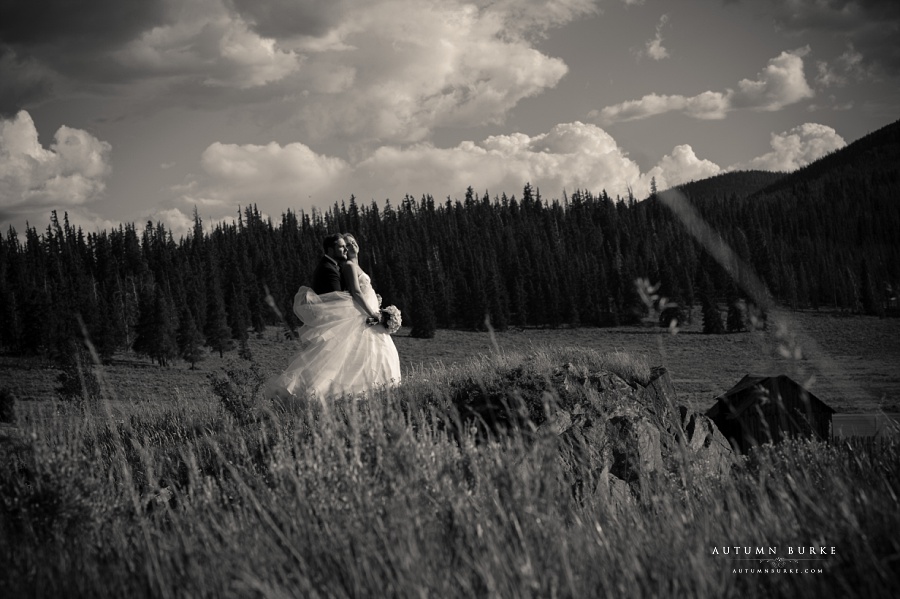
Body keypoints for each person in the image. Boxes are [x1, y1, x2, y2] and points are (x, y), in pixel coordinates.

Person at [266, 233, 401, 401]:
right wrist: (372, 312)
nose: (348, 247)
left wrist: (373, 300)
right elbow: (343, 296)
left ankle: (377, 390)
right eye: (344, 245)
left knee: (368, 354)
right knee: (341, 358)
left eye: (351, 243)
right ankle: (323, 393)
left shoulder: (341, 265)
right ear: (331, 249)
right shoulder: (336, 268)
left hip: (367, 313)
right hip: (361, 317)